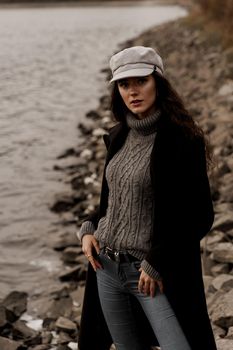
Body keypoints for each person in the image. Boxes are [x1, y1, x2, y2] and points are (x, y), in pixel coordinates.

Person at [77, 46, 217, 350]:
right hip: (107, 269)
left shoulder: (182, 141)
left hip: (150, 273)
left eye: (141, 81)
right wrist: (89, 229)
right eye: (124, 84)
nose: (133, 91)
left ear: (158, 82)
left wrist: (157, 261)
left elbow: (200, 215)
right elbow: (112, 202)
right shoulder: (117, 136)